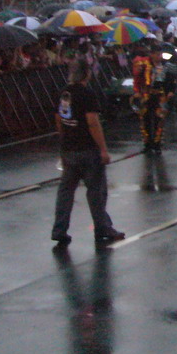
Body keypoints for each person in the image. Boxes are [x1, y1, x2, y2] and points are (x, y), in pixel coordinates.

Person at [52, 60, 125, 247]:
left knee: (66, 191)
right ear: (87, 74)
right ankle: (102, 228)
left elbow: (58, 119)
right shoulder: (87, 95)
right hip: (87, 148)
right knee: (96, 191)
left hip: (69, 148)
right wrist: (103, 149)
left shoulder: (64, 93)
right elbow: (92, 122)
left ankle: (59, 230)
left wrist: (63, 140)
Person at [132, 44, 174, 154]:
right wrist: (137, 91)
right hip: (146, 95)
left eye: (160, 54)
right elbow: (137, 78)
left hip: (160, 95)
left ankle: (157, 143)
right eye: (157, 54)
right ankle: (147, 144)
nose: (159, 56)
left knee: (159, 120)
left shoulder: (166, 65)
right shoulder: (144, 64)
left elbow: (171, 79)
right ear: (152, 54)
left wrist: (170, 91)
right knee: (145, 120)